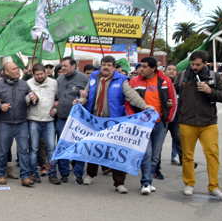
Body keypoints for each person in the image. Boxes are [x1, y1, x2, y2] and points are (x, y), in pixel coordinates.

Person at [77, 55, 151, 194]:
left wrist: (144, 106)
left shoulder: (121, 79)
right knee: (93, 148)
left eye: (109, 65)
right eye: (104, 64)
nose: (106, 67)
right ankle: (90, 174)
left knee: (116, 152)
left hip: (114, 122)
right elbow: (86, 94)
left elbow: (132, 95)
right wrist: (81, 100)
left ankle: (119, 183)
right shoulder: (94, 76)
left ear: (113, 66)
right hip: (95, 120)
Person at [175, 51, 222, 198]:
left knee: (212, 154)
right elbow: (172, 92)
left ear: (206, 63)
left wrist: (210, 91)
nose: (194, 67)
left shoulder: (214, 76)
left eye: (198, 64)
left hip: (208, 122)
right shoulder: (182, 76)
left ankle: (214, 186)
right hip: (187, 121)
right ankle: (189, 184)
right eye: (192, 64)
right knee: (187, 155)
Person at [125, 57, 176, 195]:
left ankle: (149, 181)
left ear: (153, 69)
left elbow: (173, 100)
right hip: (142, 124)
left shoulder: (166, 81)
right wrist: (133, 118)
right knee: (146, 154)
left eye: (145, 67)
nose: (141, 69)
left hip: (160, 124)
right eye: (141, 66)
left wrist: (169, 118)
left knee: (155, 156)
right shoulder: (134, 81)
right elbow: (128, 102)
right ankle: (146, 182)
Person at [0, 62, 35, 187]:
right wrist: (0, 106)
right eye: (14, 69)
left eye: (17, 68)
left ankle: (25, 177)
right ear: (6, 72)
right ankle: (1, 175)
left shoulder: (24, 84)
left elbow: (32, 97)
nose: (17, 70)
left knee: (23, 151)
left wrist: (34, 98)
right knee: (2, 150)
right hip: (5, 123)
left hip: (22, 123)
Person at [55, 57, 88, 183]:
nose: (62, 68)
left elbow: (90, 96)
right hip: (62, 119)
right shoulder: (59, 79)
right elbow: (55, 95)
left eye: (65, 66)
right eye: (62, 66)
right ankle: (64, 172)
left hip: (79, 120)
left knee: (79, 146)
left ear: (74, 66)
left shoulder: (84, 79)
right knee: (62, 145)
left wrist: (82, 100)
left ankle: (78, 173)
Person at [27, 63, 60, 184]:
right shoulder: (28, 83)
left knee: (51, 147)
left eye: (42, 74)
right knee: (34, 148)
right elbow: (24, 100)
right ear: (33, 74)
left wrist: (55, 110)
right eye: (37, 74)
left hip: (49, 120)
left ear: (45, 73)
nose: (40, 76)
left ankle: (52, 174)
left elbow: (58, 99)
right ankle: (33, 173)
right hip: (34, 119)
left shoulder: (53, 83)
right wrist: (30, 99)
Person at [164, 63, 183, 166]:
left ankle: (177, 158)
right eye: (169, 69)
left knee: (178, 139)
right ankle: (155, 163)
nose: (171, 71)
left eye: (174, 70)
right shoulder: (161, 83)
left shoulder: (179, 85)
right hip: (164, 118)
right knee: (159, 141)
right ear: (165, 71)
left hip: (176, 118)